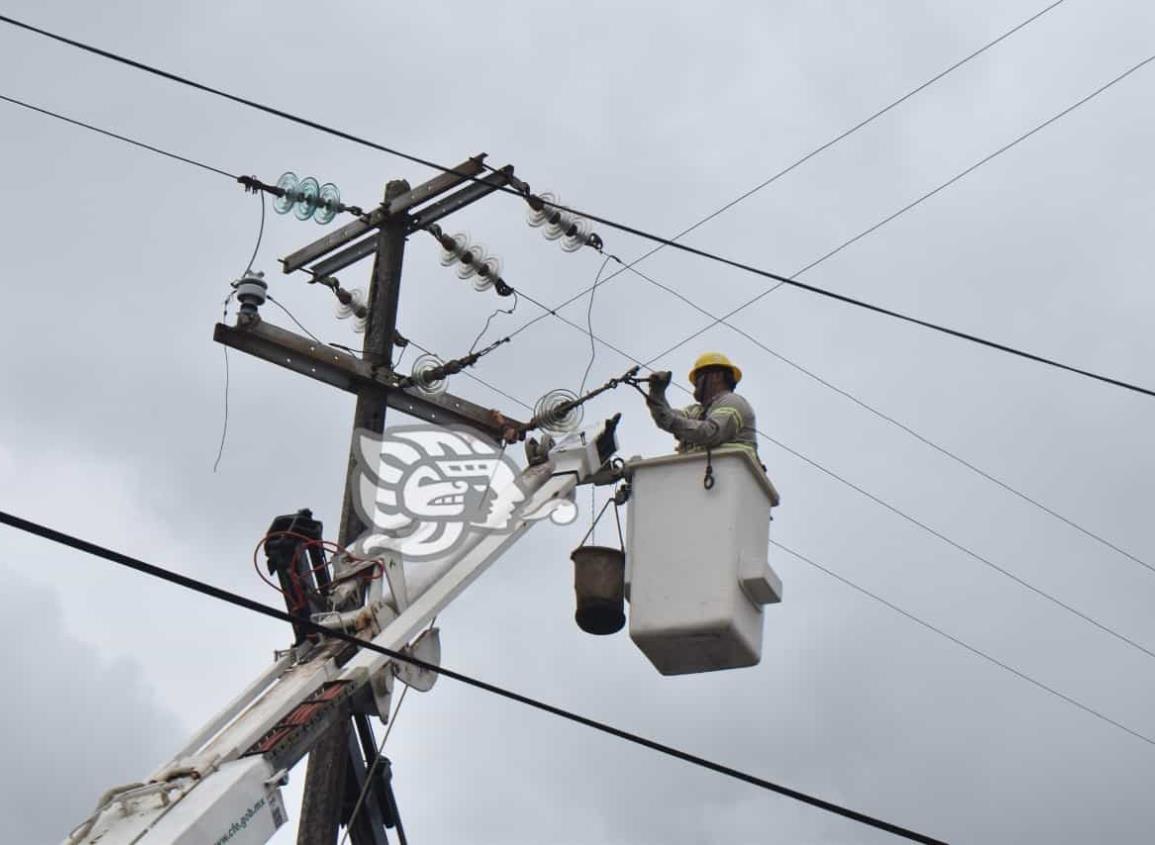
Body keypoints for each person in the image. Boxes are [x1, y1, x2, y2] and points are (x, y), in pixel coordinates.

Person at [645, 352, 759, 461]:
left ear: (717, 376)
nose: (694, 383)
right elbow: (666, 417)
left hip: (730, 475)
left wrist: (671, 420)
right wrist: (657, 393)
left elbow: (710, 433)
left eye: (698, 377)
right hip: (701, 475)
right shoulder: (695, 411)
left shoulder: (732, 401)